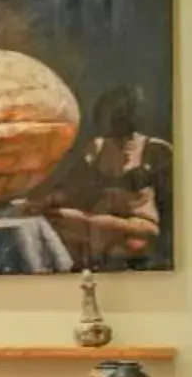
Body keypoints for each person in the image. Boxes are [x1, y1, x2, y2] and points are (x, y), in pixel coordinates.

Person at [31, 85, 171, 267]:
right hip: (98, 224)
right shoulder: (97, 147)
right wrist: (49, 200)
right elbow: (73, 186)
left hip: (139, 226)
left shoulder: (156, 150)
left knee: (100, 229)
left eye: (117, 115)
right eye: (108, 116)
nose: (111, 121)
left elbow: (170, 206)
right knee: (59, 222)